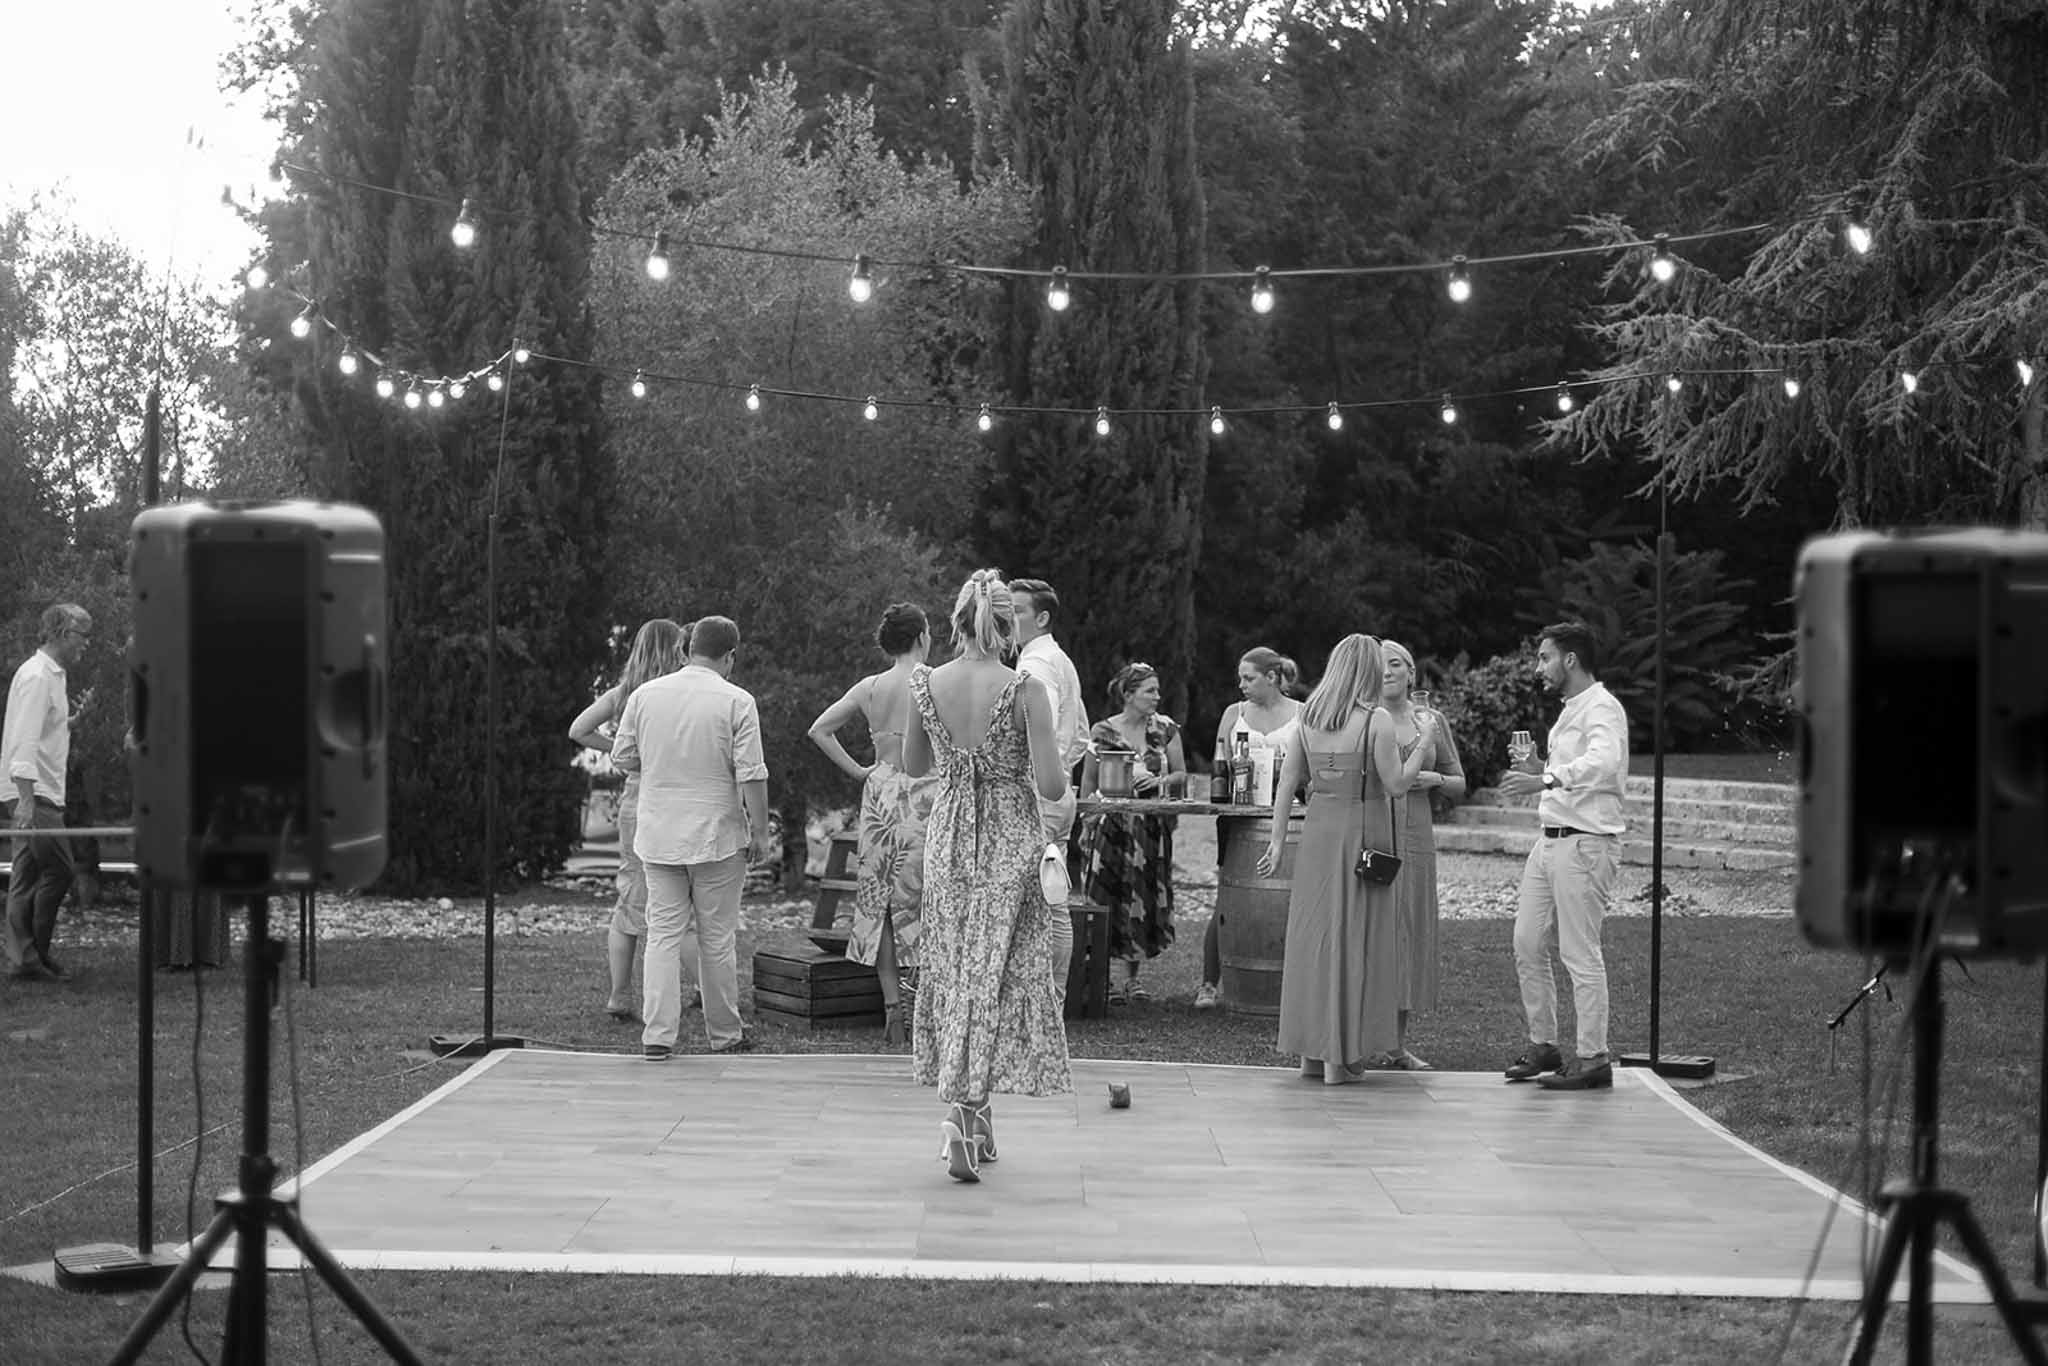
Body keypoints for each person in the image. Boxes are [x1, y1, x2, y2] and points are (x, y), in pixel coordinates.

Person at [903, 570, 1072, 1182]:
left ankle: (979, 1117)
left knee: (958, 968)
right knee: (996, 970)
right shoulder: (1024, 687)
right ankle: (962, 1107)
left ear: (957, 622)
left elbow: (913, 764)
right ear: (1008, 626)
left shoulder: (927, 682)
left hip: (950, 836)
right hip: (1008, 835)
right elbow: (1051, 785)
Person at [1258, 634, 1437, 1084]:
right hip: (1365, 838)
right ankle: (1343, 1056)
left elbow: (1287, 785)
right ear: (1365, 671)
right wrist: (1423, 741)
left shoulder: (1307, 717)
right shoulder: (1374, 719)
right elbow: (1396, 784)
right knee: (1357, 941)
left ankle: (1312, 1055)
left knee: (1315, 942)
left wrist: (1277, 843)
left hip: (1317, 836)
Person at [611, 615, 771, 1060]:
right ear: (730, 657)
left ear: (686, 649)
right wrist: (761, 831)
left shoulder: (644, 695)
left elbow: (623, 756)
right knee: (716, 937)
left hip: (659, 832)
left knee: (662, 932)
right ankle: (725, 1033)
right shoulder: (737, 701)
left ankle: (658, 1035)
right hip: (717, 833)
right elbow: (752, 774)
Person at [1493, 620, 1630, 1092]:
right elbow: (1577, 768)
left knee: (1579, 952)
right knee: (1527, 942)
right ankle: (1544, 1044)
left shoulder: (1602, 709)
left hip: (1585, 842)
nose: (1539, 667)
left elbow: (1605, 762)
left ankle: (1593, 1058)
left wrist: (1544, 779)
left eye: (1544, 657)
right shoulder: (1573, 709)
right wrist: (1541, 769)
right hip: (1549, 842)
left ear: (1570, 659)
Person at [808, 602, 939, 1043]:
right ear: (922, 636)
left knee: (880, 902)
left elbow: (820, 730)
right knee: (931, 899)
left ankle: (893, 1008)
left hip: (881, 799)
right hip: (927, 798)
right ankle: (924, 1002)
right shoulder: (934, 681)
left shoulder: (870, 686)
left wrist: (859, 770)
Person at [569, 618, 693, 1023]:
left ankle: (620, 995)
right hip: (671, 802)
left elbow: (579, 730)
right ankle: (706, 991)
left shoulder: (623, 694)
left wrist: (621, 752)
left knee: (630, 899)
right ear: (675, 649)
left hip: (634, 803)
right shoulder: (681, 692)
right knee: (682, 902)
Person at [1367, 640, 1467, 1068]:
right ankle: (1356, 1035)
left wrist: (1432, 779)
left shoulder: (1432, 721)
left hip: (1415, 840)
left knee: (1407, 932)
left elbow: (1460, 781)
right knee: (1369, 929)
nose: (1387, 672)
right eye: (1379, 666)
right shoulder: (1362, 717)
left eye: (1395, 664)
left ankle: (1395, 1044)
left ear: (1411, 672)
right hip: (1371, 835)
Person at [1074, 662, 1187, 1003]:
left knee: (1142, 896)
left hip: (1150, 827)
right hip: (1110, 826)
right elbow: (1089, 783)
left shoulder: (1165, 729)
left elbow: (1182, 774)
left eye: (1157, 690)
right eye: (1149, 690)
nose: (1157, 696)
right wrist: (1086, 824)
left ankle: (1133, 978)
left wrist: (1161, 780)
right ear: (1128, 694)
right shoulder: (1103, 731)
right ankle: (1101, 977)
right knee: (1103, 895)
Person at [1196, 646, 1302, 1010]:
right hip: (1240, 818)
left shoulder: (1303, 714)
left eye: (1249, 677)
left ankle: (1290, 984)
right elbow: (1219, 764)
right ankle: (1209, 984)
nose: (1240, 684)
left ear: (1272, 678)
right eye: (1240, 677)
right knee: (1229, 894)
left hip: (1292, 817)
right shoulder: (1234, 713)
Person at [1008, 578, 1087, 1006]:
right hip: (1057, 793)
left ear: (1041, 618)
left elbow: (1048, 735)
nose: (1009, 619)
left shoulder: (1035, 666)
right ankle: (1049, 1001)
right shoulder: (1057, 658)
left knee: (1047, 903)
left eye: (1018, 611)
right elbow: (1081, 734)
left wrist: (1040, 783)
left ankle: (1048, 1001)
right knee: (1054, 897)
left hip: (1039, 795)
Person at [5, 604, 92, 981]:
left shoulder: (53, 676)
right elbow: (23, 740)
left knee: (24, 879)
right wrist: (25, 798)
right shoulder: (39, 676)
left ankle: (26, 959)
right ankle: (32, 955)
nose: (86, 645)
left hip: (37, 791)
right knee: (60, 869)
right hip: (34, 793)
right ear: (60, 633)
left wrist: (70, 721)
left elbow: (43, 732)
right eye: (82, 636)